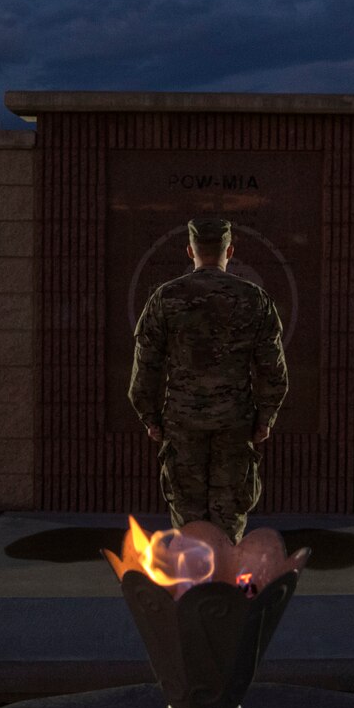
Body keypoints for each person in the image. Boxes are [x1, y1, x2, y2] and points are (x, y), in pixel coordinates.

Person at [128, 217, 289, 540]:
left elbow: (146, 367)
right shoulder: (254, 299)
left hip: (182, 423)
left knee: (188, 521)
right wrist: (265, 419)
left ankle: (195, 584)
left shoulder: (166, 298)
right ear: (229, 250)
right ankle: (224, 585)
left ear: (191, 250)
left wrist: (150, 418)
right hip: (234, 423)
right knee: (228, 518)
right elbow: (272, 369)